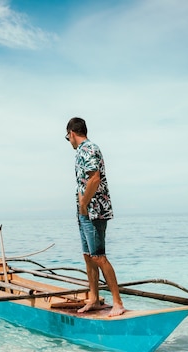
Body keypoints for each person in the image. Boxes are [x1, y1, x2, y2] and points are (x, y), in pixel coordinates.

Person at [65, 117, 125, 317]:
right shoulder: (82, 152)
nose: (69, 141)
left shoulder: (89, 149)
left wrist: (84, 203)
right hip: (84, 212)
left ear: (72, 133)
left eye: (68, 137)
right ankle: (94, 299)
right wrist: (81, 206)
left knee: (99, 257)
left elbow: (95, 178)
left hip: (94, 210)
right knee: (88, 257)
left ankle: (118, 303)